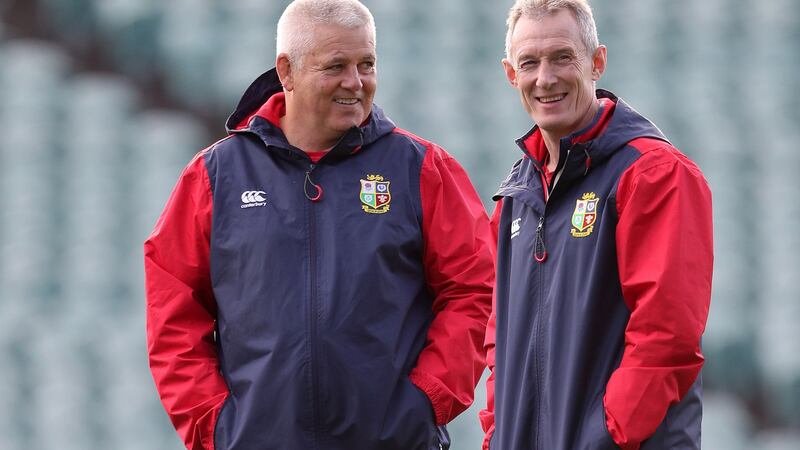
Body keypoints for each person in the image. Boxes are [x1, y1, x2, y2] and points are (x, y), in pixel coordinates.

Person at [144, 1, 494, 449]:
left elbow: (475, 291)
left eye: (366, 64)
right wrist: (215, 425)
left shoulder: (422, 169)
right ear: (286, 71)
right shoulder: (215, 176)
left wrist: (425, 400)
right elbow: (173, 314)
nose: (356, 82)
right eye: (336, 66)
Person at [479, 1, 713, 449]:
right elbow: (498, 341)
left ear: (597, 62)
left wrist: (603, 437)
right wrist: (499, 432)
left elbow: (667, 337)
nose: (545, 78)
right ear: (511, 74)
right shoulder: (514, 199)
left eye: (562, 57)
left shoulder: (654, 174)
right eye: (529, 62)